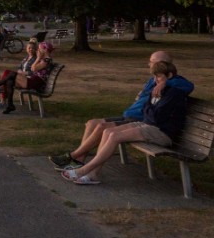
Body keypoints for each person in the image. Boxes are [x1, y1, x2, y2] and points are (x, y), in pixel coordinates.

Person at [50, 50, 194, 170]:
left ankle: (74, 156)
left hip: (140, 119)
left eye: (152, 61)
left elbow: (188, 86)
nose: (149, 64)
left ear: (163, 65)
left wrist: (165, 83)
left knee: (102, 127)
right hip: (130, 115)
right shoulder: (154, 80)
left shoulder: (174, 82)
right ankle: (79, 159)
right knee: (91, 123)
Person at [0, 40, 39, 110]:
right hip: (21, 77)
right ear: (26, 49)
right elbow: (19, 67)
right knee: (8, 80)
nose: (31, 49)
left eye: (32, 48)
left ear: (35, 49)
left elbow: (35, 72)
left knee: (7, 74)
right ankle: (4, 101)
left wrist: (24, 73)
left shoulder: (36, 59)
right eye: (29, 48)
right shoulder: (26, 58)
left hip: (28, 79)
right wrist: (19, 71)